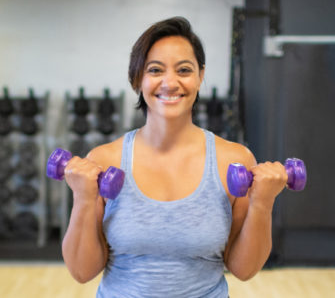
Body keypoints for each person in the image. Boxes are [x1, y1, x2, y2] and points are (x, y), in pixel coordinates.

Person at [62, 17, 288, 297]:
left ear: (200, 76)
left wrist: (263, 203)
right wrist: (83, 199)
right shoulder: (105, 159)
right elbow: (82, 272)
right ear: (137, 78)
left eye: (184, 70)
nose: (170, 82)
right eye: (155, 70)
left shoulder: (232, 160)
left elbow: (244, 269)